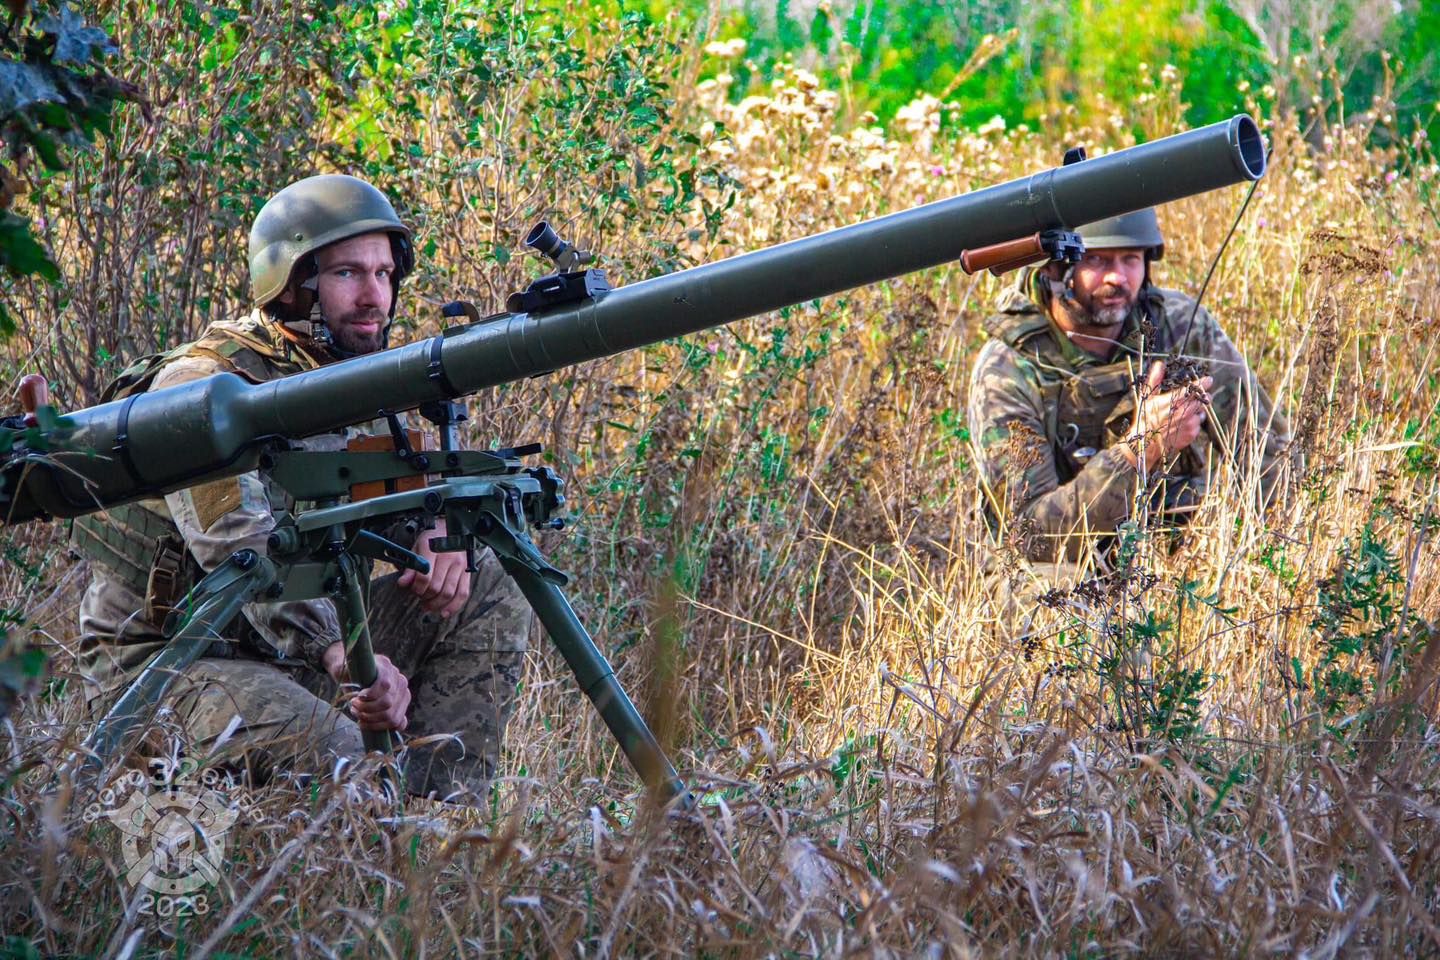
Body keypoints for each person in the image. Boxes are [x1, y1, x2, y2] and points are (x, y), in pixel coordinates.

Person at [74, 175, 530, 799]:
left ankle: (441, 828)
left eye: (385, 274)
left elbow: (388, 495)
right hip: (175, 664)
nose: (376, 296)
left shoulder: (348, 377)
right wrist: (344, 652)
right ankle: (383, 826)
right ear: (291, 285)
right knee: (352, 765)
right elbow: (242, 554)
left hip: (296, 656)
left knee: (489, 582)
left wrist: (437, 529)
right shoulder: (201, 386)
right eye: (349, 274)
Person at [965, 208, 1289, 614]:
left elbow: (1267, 455)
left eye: (1130, 259)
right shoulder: (1010, 367)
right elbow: (1029, 539)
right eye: (1097, 260)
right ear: (1056, 269)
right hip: (1050, 567)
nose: (1117, 277)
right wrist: (1138, 453)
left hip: (1167, 546)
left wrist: (1270, 553)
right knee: (1072, 616)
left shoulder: (1180, 326)